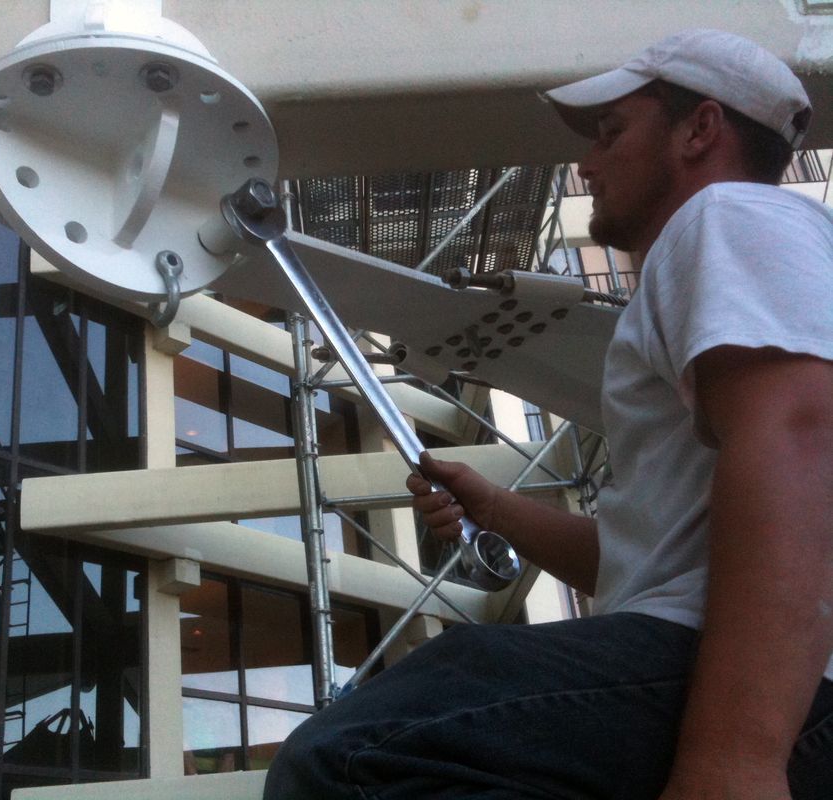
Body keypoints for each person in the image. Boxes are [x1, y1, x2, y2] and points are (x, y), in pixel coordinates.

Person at [263, 29, 833, 799]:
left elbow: (803, 435)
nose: (586, 165)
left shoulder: (726, 216)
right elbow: (645, 561)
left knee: (361, 751)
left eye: (612, 134)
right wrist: (495, 507)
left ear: (700, 130)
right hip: (753, 675)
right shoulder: (727, 258)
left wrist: (736, 760)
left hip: (769, 686)